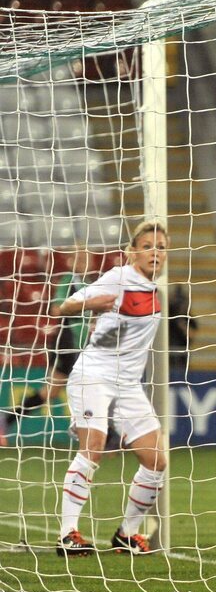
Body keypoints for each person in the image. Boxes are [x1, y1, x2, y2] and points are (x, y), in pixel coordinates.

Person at [56, 222, 169, 557]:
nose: (155, 253)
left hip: (128, 385)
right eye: (147, 246)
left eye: (161, 247)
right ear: (131, 252)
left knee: (157, 460)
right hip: (95, 375)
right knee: (93, 446)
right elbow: (66, 304)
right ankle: (67, 534)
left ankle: (127, 533)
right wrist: (93, 304)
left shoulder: (154, 291)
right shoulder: (119, 277)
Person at [4, 246, 92, 436]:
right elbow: (56, 310)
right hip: (68, 343)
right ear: (72, 260)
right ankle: (99, 434)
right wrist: (86, 307)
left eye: (87, 257)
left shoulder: (89, 283)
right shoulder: (69, 281)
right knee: (89, 387)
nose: (85, 261)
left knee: (50, 393)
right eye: (80, 257)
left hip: (82, 345)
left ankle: (7, 419)